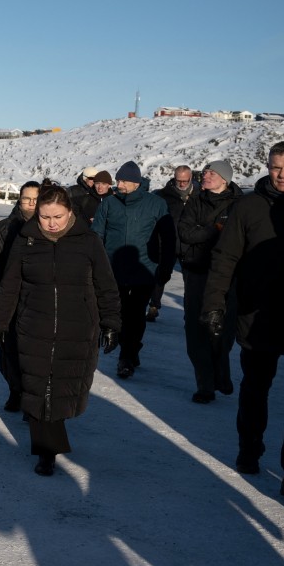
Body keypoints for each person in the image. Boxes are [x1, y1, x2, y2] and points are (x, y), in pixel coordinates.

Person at [0, 185, 121, 476]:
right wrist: (0, 322)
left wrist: (112, 322)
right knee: (38, 387)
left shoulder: (88, 242)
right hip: (33, 326)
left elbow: (106, 286)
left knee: (62, 387)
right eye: (45, 216)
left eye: (57, 216)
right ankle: (46, 451)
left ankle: (52, 438)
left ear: (70, 212)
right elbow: (10, 285)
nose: (51, 223)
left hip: (77, 329)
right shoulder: (26, 241)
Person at [202, 141, 284, 502]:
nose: (283, 174)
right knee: (255, 389)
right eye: (277, 167)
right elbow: (224, 258)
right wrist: (214, 304)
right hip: (256, 315)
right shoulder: (248, 206)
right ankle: (249, 449)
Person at [91, 160, 174, 380]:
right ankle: (126, 347)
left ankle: (127, 356)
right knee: (116, 311)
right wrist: (94, 263)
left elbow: (168, 238)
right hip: (113, 268)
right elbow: (96, 234)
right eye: (118, 180)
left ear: (137, 183)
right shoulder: (109, 203)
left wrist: (165, 266)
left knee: (136, 315)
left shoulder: (155, 204)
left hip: (143, 269)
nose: (119, 184)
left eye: (124, 180)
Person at [177, 159, 241, 403]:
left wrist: (204, 230)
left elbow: (238, 237)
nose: (205, 175)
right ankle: (205, 384)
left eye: (211, 173)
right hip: (197, 272)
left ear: (224, 179)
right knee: (195, 331)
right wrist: (214, 229)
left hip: (228, 274)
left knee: (223, 329)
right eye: (204, 172)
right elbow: (185, 233)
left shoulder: (239, 204)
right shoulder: (195, 201)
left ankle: (221, 372)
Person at [0, 180, 41, 412]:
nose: (30, 204)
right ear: (20, 200)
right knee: (8, 351)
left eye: (36, 200)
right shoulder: (5, 228)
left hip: (37, 301)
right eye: (26, 199)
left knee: (35, 352)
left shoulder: (49, 228)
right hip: (10, 298)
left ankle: (31, 397)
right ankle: (15, 390)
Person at [147, 165, 195, 322]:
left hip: (190, 244)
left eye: (184, 181)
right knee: (161, 276)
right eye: (178, 180)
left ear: (191, 178)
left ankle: (191, 312)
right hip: (168, 243)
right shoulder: (163, 196)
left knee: (191, 281)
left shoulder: (200, 194)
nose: (181, 184)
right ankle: (154, 306)